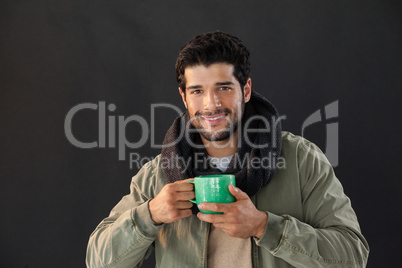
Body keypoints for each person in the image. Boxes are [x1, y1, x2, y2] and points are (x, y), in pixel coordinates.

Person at [86, 31, 369, 268]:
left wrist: (263, 227)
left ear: (245, 90)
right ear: (184, 97)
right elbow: (97, 261)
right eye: (197, 91)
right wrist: (150, 215)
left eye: (223, 88)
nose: (211, 104)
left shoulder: (300, 159)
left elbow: (353, 255)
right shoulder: (157, 175)